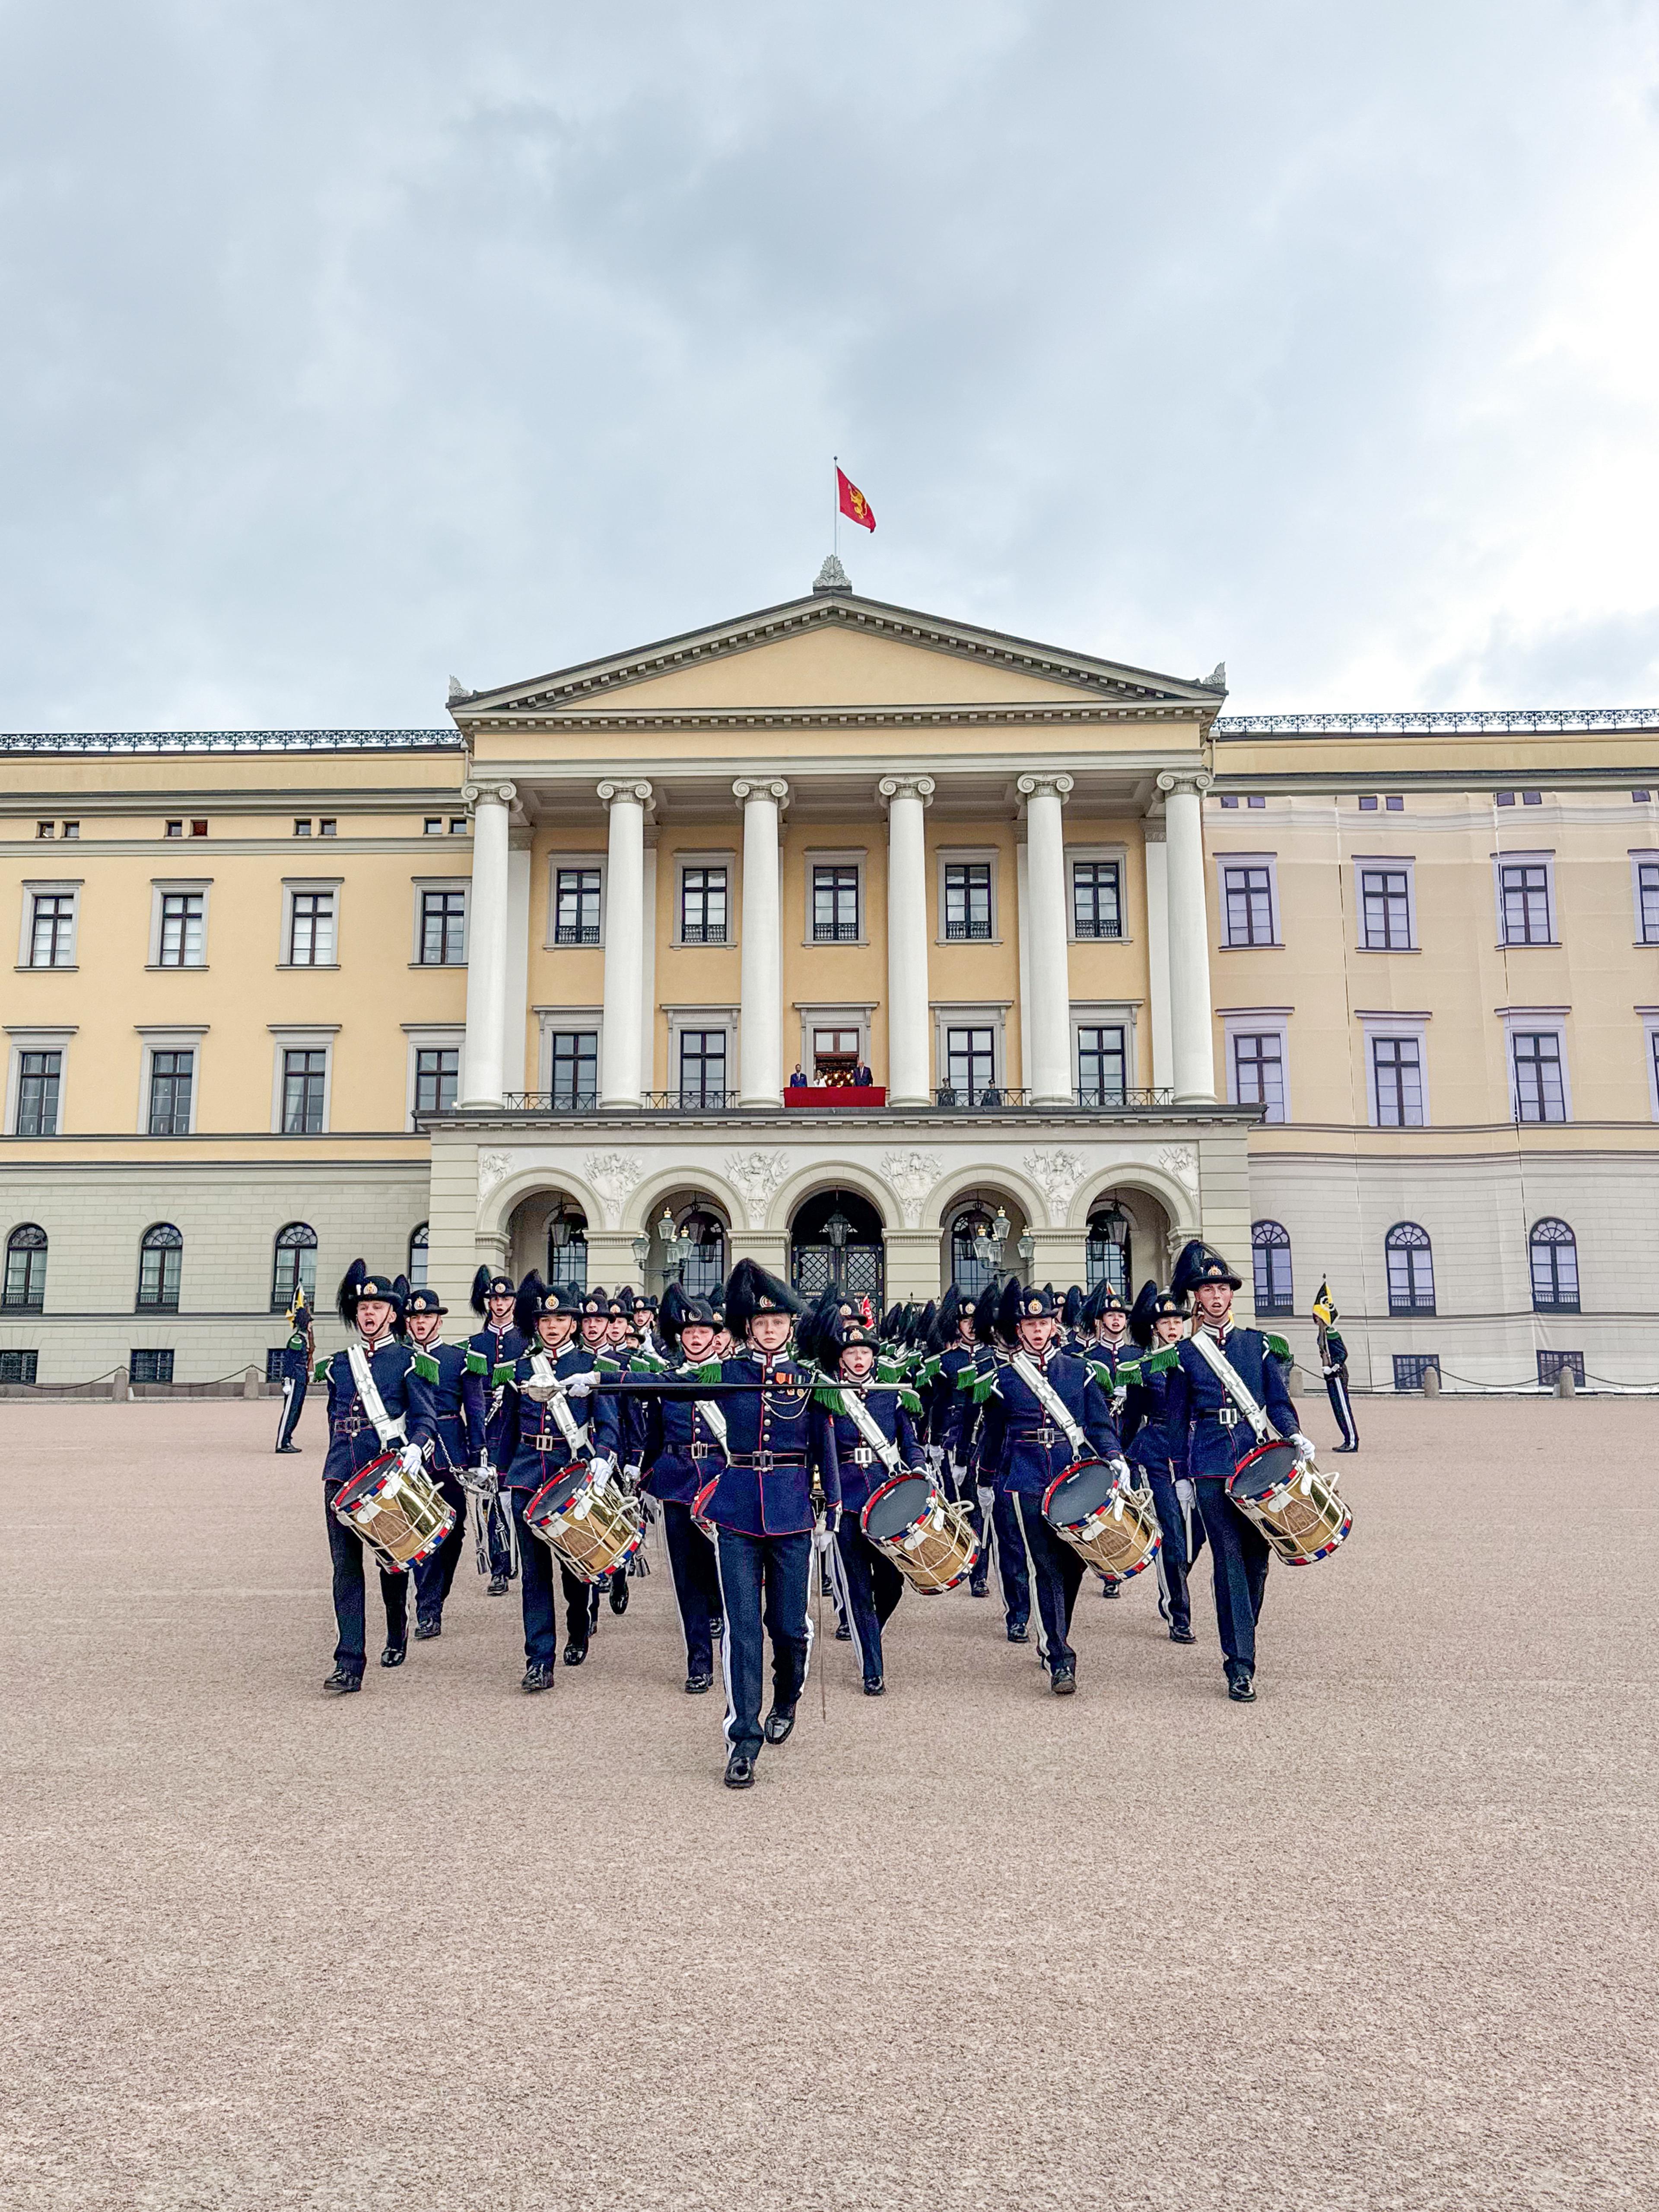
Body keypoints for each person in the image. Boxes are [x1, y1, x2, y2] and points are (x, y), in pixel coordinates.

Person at [700, 1260, 836, 1789]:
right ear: (749, 1328)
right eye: (760, 1324)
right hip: (736, 1507)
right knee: (740, 1628)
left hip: (791, 1507)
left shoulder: (809, 1381)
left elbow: (825, 1446)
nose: (769, 1329)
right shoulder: (726, 1372)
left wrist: (832, 1506)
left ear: (790, 1327)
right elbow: (665, 1384)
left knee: (788, 1623)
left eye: (778, 1322)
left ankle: (787, 1694)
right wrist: (594, 1380)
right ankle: (743, 1739)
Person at [1163, 1241, 1314, 1703]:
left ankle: (1242, 1630)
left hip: (1255, 1460)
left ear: (1232, 1295)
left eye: (1223, 1289)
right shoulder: (1184, 1354)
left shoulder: (1257, 1344)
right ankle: (1240, 1663)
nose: (1216, 1296)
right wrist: (1181, 1474)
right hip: (1209, 1463)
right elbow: (1175, 1419)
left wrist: (1293, 1435)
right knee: (1228, 1560)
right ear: (1197, 1297)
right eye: (1208, 1289)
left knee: (1257, 1561)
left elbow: (1278, 1401)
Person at [975, 1280, 1122, 1695]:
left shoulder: (1080, 1371)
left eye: (1043, 1322)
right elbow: (993, 1435)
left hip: (1071, 1475)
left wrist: (1114, 1457)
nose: (1037, 1330)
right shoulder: (1003, 1379)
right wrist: (986, 1481)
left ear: (1054, 1324)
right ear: (1019, 1330)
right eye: (1029, 1324)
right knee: (1045, 1565)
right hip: (1025, 1479)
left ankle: (1055, 1633)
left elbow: (1098, 1425)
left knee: (1073, 1564)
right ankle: (1059, 1655)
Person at [498, 1276, 622, 1689]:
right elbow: (508, 1428)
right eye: (546, 1319)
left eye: (561, 1318)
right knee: (534, 1573)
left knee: (573, 1567)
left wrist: (604, 1458)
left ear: (573, 1323)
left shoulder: (591, 1368)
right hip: (528, 1472)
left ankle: (578, 1622)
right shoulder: (520, 1369)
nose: (553, 1325)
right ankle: (539, 1659)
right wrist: (501, 1477)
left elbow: (608, 1424)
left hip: (571, 1474)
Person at [317, 1261, 434, 1695]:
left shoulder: (410, 1362)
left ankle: (397, 1624)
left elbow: (425, 1419)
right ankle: (349, 1661)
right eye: (363, 1306)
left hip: (386, 1473)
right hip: (341, 1472)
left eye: (378, 1306)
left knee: (391, 1560)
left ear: (392, 1313)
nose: (368, 1313)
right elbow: (335, 1416)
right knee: (345, 1568)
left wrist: (414, 1448)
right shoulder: (339, 1365)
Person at [800, 1290, 920, 1697]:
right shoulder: (827, 1399)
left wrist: (919, 1467)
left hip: (888, 1499)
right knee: (856, 1587)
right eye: (851, 1354)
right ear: (841, 1359)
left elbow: (909, 1441)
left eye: (864, 1354)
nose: (858, 1360)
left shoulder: (892, 1393)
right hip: (848, 1502)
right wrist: (822, 1507)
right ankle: (872, 1666)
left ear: (873, 1358)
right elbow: (819, 1453)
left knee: (891, 1584)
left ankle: (865, 1628)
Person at [634, 1282, 728, 1694]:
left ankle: (730, 1643)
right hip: (675, 1481)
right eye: (689, 1333)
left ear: (714, 1336)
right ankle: (699, 1662)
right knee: (686, 1577)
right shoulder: (668, 1379)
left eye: (702, 1332)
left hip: (721, 1482)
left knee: (724, 1573)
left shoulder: (731, 1378)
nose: (695, 1338)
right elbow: (654, 1434)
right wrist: (644, 1475)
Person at [1119, 1280, 1204, 1645]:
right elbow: (1132, 1416)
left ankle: (1175, 1576)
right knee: (1170, 1527)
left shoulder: (1200, 1359)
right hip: (1157, 1451)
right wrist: (1118, 1458)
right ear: (1155, 1327)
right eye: (1167, 1321)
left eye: (1178, 1320)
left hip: (1197, 1450)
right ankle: (1179, 1611)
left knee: (1197, 1533)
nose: (1174, 1326)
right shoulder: (1144, 1367)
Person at [404, 1284, 487, 1640]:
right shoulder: (400, 1359)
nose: (421, 1322)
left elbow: (476, 1408)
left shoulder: (459, 1359)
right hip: (411, 1452)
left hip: (450, 1452)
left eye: (427, 1316)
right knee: (417, 1529)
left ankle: (435, 1598)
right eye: (415, 1317)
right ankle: (426, 1605)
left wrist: (479, 1454)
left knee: (452, 1532)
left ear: (438, 1320)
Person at [957, 1281, 1032, 1640]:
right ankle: (1017, 1612)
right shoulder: (985, 1368)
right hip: (1001, 1460)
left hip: (1041, 1460)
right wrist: (964, 1461)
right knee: (1012, 1543)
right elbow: (972, 1420)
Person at [466, 1268, 527, 1596]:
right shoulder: (475, 1345)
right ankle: (500, 1566)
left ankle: (528, 1559)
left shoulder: (527, 1341)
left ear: (514, 1302)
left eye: (505, 1298)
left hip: (519, 1424)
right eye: (494, 1298)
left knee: (522, 1492)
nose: (499, 1303)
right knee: (491, 1496)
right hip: (490, 1425)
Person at [1081, 1280, 1135, 1598]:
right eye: (1110, 1316)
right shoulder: (1087, 1357)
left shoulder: (1136, 1354)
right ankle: (1108, 1569)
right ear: (1101, 1321)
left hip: (1128, 1435)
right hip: (1099, 1440)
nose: (1116, 1320)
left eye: (1120, 1316)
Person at [1314, 1279, 1360, 1453]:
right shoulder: (1323, 1333)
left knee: (1344, 1408)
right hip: (1331, 1374)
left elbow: (1342, 1354)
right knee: (1337, 1409)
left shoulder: (1331, 1332)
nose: (1316, 1320)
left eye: (1317, 1317)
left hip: (1338, 1374)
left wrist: (1334, 1368)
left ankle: (1353, 1441)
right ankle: (1347, 1439)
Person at [274, 1286, 314, 1453]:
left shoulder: (303, 1340)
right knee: (290, 1411)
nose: (312, 1325)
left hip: (300, 1378)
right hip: (294, 1379)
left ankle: (288, 1439)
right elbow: (289, 1362)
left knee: (296, 1411)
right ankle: (282, 1443)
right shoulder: (297, 1340)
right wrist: (286, 1380)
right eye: (310, 1322)